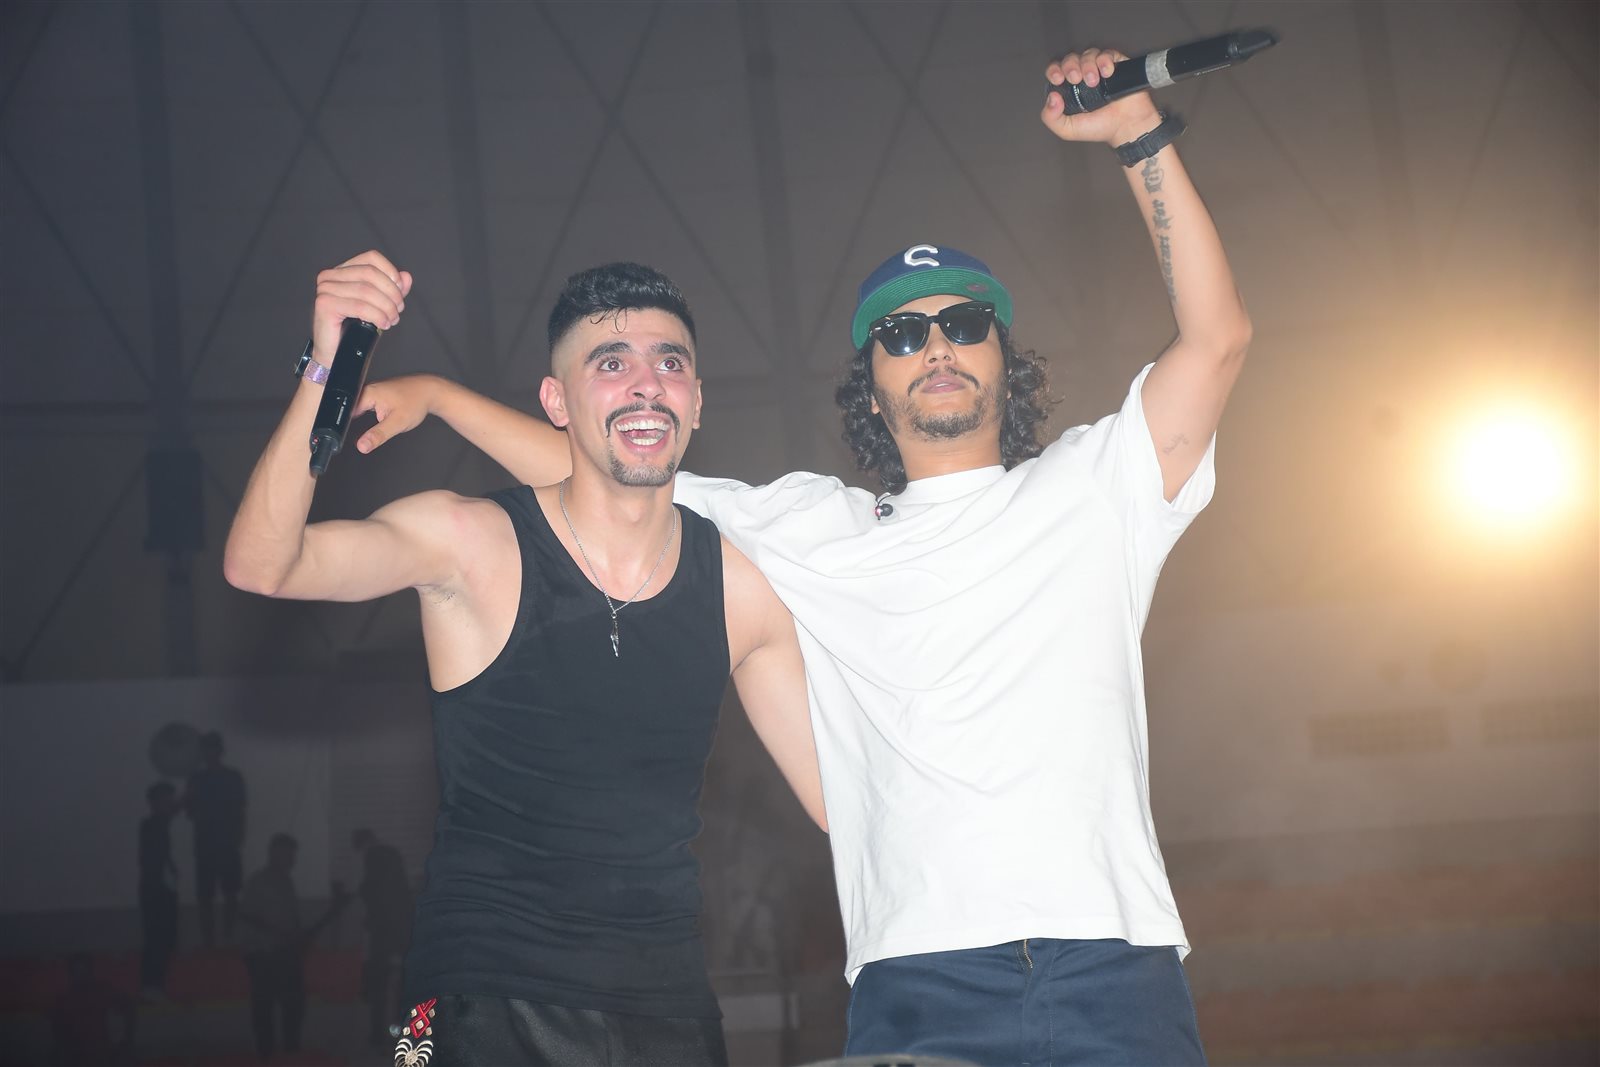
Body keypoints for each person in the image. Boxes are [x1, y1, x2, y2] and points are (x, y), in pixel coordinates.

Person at [355, 45, 1251, 1064]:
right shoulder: (813, 526)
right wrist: (441, 398)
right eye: (902, 335)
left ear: (1005, 355)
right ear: (872, 384)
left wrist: (1137, 134)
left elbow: (1216, 339)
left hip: (1113, 964)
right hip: (917, 977)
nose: (937, 344)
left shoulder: (1097, 484)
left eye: (964, 323)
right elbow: (612, 472)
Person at [223, 257, 824, 1066]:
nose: (647, 384)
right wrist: (327, 365)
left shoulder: (742, 590)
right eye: (610, 363)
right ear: (557, 402)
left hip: (670, 1013)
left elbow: (840, 800)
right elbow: (264, 563)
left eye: (669, 362)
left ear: (696, 400)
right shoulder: (469, 543)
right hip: (475, 1000)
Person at [237, 833, 308, 1060]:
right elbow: (248, 916)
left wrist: (297, 936)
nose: (292, 860)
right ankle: (266, 1052)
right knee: (264, 1004)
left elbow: (291, 918)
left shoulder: (287, 881)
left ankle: (290, 1048)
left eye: (293, 855)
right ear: (275, 853)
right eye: (288, 854)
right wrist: (275, 933)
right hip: (262, 952)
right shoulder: (259, 881)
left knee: (294, 1001)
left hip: (285, 951)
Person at [351, 828, 413, 1047]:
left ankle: (379, 1036)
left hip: (382, 933)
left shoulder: (372, 857)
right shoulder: (392, 857)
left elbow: (372, 893)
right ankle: (398, 1033)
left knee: (379, 987)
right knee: (398, 988)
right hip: (401, 933)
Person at [184, 730, 246, 948]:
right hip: (206, 845)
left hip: (227, 843)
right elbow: (190, 812)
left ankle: (229, 936)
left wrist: (238, 836)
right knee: (205, 896)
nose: (210, 752)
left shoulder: (233, 777)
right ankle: (208, 941)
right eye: (207, 748)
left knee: (231, 893)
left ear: (220, 750)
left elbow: (241, 810)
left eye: (213, 748)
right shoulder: (197, 779)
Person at [138, 781, 180, 999]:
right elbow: (151, 861)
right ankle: (151, 986)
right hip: (155, 890)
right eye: (166, 800)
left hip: (161, 889)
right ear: (154, 802)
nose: (170, 804)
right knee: (157, 938)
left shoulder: (158, 825)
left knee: (165, 938)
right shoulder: (151, 825)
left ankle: (156, 985)